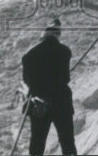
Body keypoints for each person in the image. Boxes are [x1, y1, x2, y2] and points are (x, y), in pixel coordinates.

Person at [22, 18, 77, 156]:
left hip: (40, 104)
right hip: (61, 103)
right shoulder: (65, 51)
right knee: (67, 142)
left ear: (43, 36)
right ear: (57, 36)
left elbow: (26, 80)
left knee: (37, 144)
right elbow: (66, 78)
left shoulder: (29, 55)